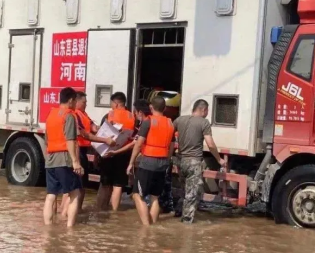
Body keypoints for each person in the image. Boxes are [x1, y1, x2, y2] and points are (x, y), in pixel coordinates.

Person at [60, 91, 116, 217]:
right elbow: (85, 134)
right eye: (84, 102)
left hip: (81, 152)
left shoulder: (83, 114)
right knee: (77, 188)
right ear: (77, 101)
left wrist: (109, 128)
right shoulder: (75, 115)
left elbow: (94, 127)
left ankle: (69, 214)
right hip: (77, 152)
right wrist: (105, 140)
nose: (86, 105)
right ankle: (70, 214)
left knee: (75, 188)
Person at [174, 99, 226, 224]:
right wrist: (219, 159)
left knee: (183, 190)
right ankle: (186, 224)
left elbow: (169, 135)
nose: (207, 113)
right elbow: (210, 144)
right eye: (207, 111)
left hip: (180, 161)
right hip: (194, 162)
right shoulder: (204, 122)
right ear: (203, 110)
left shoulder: (179, 120)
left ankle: (178, 212)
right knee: (191, 194)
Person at [127, 96, 175, 225]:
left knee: (137, 194)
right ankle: (152, 227)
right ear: (164, 108)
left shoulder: (148, 121)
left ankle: (146, 227)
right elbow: (171, 146)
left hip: (148, 162)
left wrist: (131, 162)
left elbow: (138, 144)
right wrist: (166, 159)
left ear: (151, 107)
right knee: (155, 197)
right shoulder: (170, 123)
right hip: (163, 163)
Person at [43, 87, 84, 228]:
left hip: (51, 159)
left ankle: (48, 228)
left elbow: (47, 140)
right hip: (64, 159)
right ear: (71, 100)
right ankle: (70, 228)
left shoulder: (51, 115)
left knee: (51, 195)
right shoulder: (69, 116)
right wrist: (75, 161)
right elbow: (70, 140)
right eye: (75, 101)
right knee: (75, 193)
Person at [96, 92, 136, 211]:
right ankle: (114, 212)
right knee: (118, 185)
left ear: (116, 103)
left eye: (111, 103)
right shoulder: (132, 117)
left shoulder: (108, 116)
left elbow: (100, 136)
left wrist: (97, 155)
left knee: (105, 184)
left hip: (108, 154)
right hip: (123, 153)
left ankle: (100, 209)